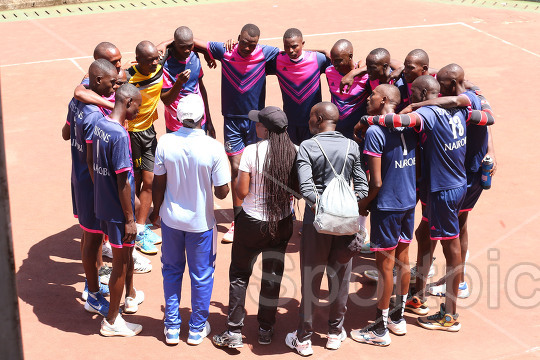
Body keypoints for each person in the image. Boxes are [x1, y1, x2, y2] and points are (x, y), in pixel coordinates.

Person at [356, 75, 494, 331]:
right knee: (422, 234)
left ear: (420, 95)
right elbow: (487, 117)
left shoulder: (429, 114)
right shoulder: (464, 108)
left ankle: (450, 314)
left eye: (413, 95)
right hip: (451, 185)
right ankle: (417, 295)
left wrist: (367, 120)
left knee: (450, 248)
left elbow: (397, 121)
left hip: (442, 191)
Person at [402, 64, 497, 299]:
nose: (440, 93)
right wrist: (492, 151)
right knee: (441, 228)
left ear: (454, 86)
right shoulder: (476, 95)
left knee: (443, 229)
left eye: (443, 87)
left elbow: (466, 108)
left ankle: (445, 289)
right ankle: (437, 281)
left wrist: (417, 105)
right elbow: (487, 123)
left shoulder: (462, 102)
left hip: (462, 175)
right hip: (458, 174)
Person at [286, 102, 368, 356]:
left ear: (319, 118)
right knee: (341, 279)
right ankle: (334, 333)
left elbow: (307, 189)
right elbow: (363, 188)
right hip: (346, 224)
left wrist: (322, 210)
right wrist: (346, 208)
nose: (309, 120)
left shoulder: (308, 147)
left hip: (317, 224)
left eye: (311, 117)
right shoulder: (352, 146)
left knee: (311, 280)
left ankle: (304, 339)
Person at [212, 106, 298, 348]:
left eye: (258, 123)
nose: (255, 126)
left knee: (239, 275)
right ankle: (265, 329)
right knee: (272, 277)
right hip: (281, 224)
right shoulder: (295, 151)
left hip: (251, 223)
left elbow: (241, 192)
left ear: (267, 130)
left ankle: (234, 331)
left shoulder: (251, 152)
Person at [149, 94, 230, 346]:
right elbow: (222, 191)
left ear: (177, 117)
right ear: (202, 117)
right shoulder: (213, 147)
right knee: (202, 275)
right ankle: (196, 328)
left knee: (171, 271)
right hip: (201, 225)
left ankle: (172, 326)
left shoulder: (165, 142)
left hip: (171, 221)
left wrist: (155, 212)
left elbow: (158, 184)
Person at [194, 23, 280, 243]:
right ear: (237, 38)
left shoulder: (266, 53)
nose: (247, 48)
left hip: (256, 122)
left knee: (258, 167)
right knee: (236, 167)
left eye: (252, 45)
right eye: (243, 43)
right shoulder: (226, 50)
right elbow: (193, 43)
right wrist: (208, 55)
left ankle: (259, 213)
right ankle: (239, 220)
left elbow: (293, 55)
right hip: (232, 121)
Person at [349, 85, 417, 346]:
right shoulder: (409, 126)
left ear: (385, 100)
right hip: (408, 202)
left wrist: (363, 205)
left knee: (385, 266)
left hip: (387, 205)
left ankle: (379, 329)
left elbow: (375, 182)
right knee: (403, 260)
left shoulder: (376, 132)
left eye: (372, 96)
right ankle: (397, 319)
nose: (368, 99)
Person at [61, 59, 116, 316]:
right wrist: (104, 194)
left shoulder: (78, 103)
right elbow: (93, 161)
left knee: (88, 235)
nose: (115, 86)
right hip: (92, 186)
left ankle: (91, 285)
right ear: (97, 82)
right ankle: (93, 294)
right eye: (111, 82)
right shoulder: (95, 117)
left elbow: (65, 132)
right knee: (92, 241)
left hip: (79, 179)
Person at [90, 83, 144, 336]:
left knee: (126, 259)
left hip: (104, 205)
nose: (138, 113)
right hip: (118, 213)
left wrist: (101, 190)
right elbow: (123, 180)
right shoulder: (120, 136)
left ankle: (128, 299)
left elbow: (90, 161)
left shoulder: (100, 124)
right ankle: (112, 320)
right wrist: (130, 219)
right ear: (129, 102)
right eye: (138, 107)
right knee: (121, 265)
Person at [126, 40, 164, 254]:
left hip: (149, 132)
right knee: (135, 182)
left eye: (156, 58)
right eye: (150, 60)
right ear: (138, 60)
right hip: (131, 135)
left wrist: (162, 46)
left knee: (150, 180)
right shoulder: (127, 76)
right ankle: (131, 229)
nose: (155, 63)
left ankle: (141, 229)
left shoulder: (159, 68)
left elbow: (172, 43)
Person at [266, 28, 331, 145]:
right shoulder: (278, 60)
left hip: (313, 123)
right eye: (287, 47)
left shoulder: (318, 59)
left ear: (303, 44)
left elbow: (340, 66)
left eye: (295, 46)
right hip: (290, 123)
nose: (290, 51)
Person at [161, 26, 215, 137]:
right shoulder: (166, 65)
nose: (187, 50)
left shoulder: (194, 56)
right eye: (182, 47)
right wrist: (179, 83)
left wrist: (209, 120)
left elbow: (201, 88)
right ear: (174, 45)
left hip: (199, 121)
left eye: (190, 46)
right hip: (176, 125)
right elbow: (166, 100)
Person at [325, 39, 369, 139]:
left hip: (357, 132)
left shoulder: (364, 75)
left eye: (338, 60)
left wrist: (353, 73)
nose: (334, 63)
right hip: (336, 131)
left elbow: (379, 63)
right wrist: (323, 50)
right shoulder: (329, 72)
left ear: (350, 56)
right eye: (332, 60)